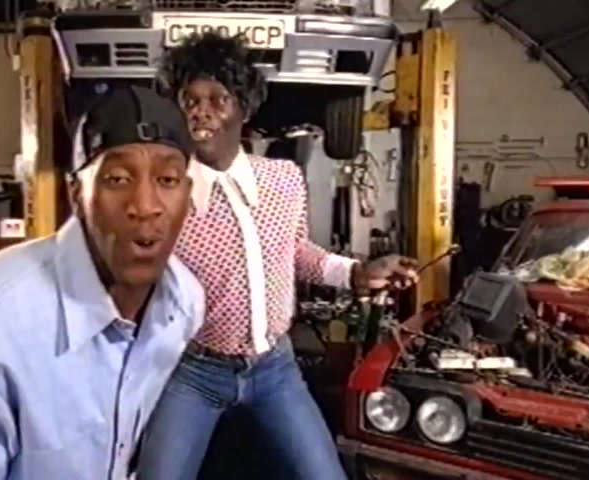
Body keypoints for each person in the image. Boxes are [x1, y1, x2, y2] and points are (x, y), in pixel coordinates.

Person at [0, 86, 204, 480]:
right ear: (76, 193)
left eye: (167, 179)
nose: (145, 206)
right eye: (117, 179)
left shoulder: (184, 304)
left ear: (188, 195)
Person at [137, 32, 419, 480]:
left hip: (274, 370)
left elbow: (296, 251)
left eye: (217, 99)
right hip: (193, 372)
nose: (200, 111)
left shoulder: (283, 180)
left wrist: (357, 274)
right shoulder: (164, 194)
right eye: (190, 101)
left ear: (244, 109)